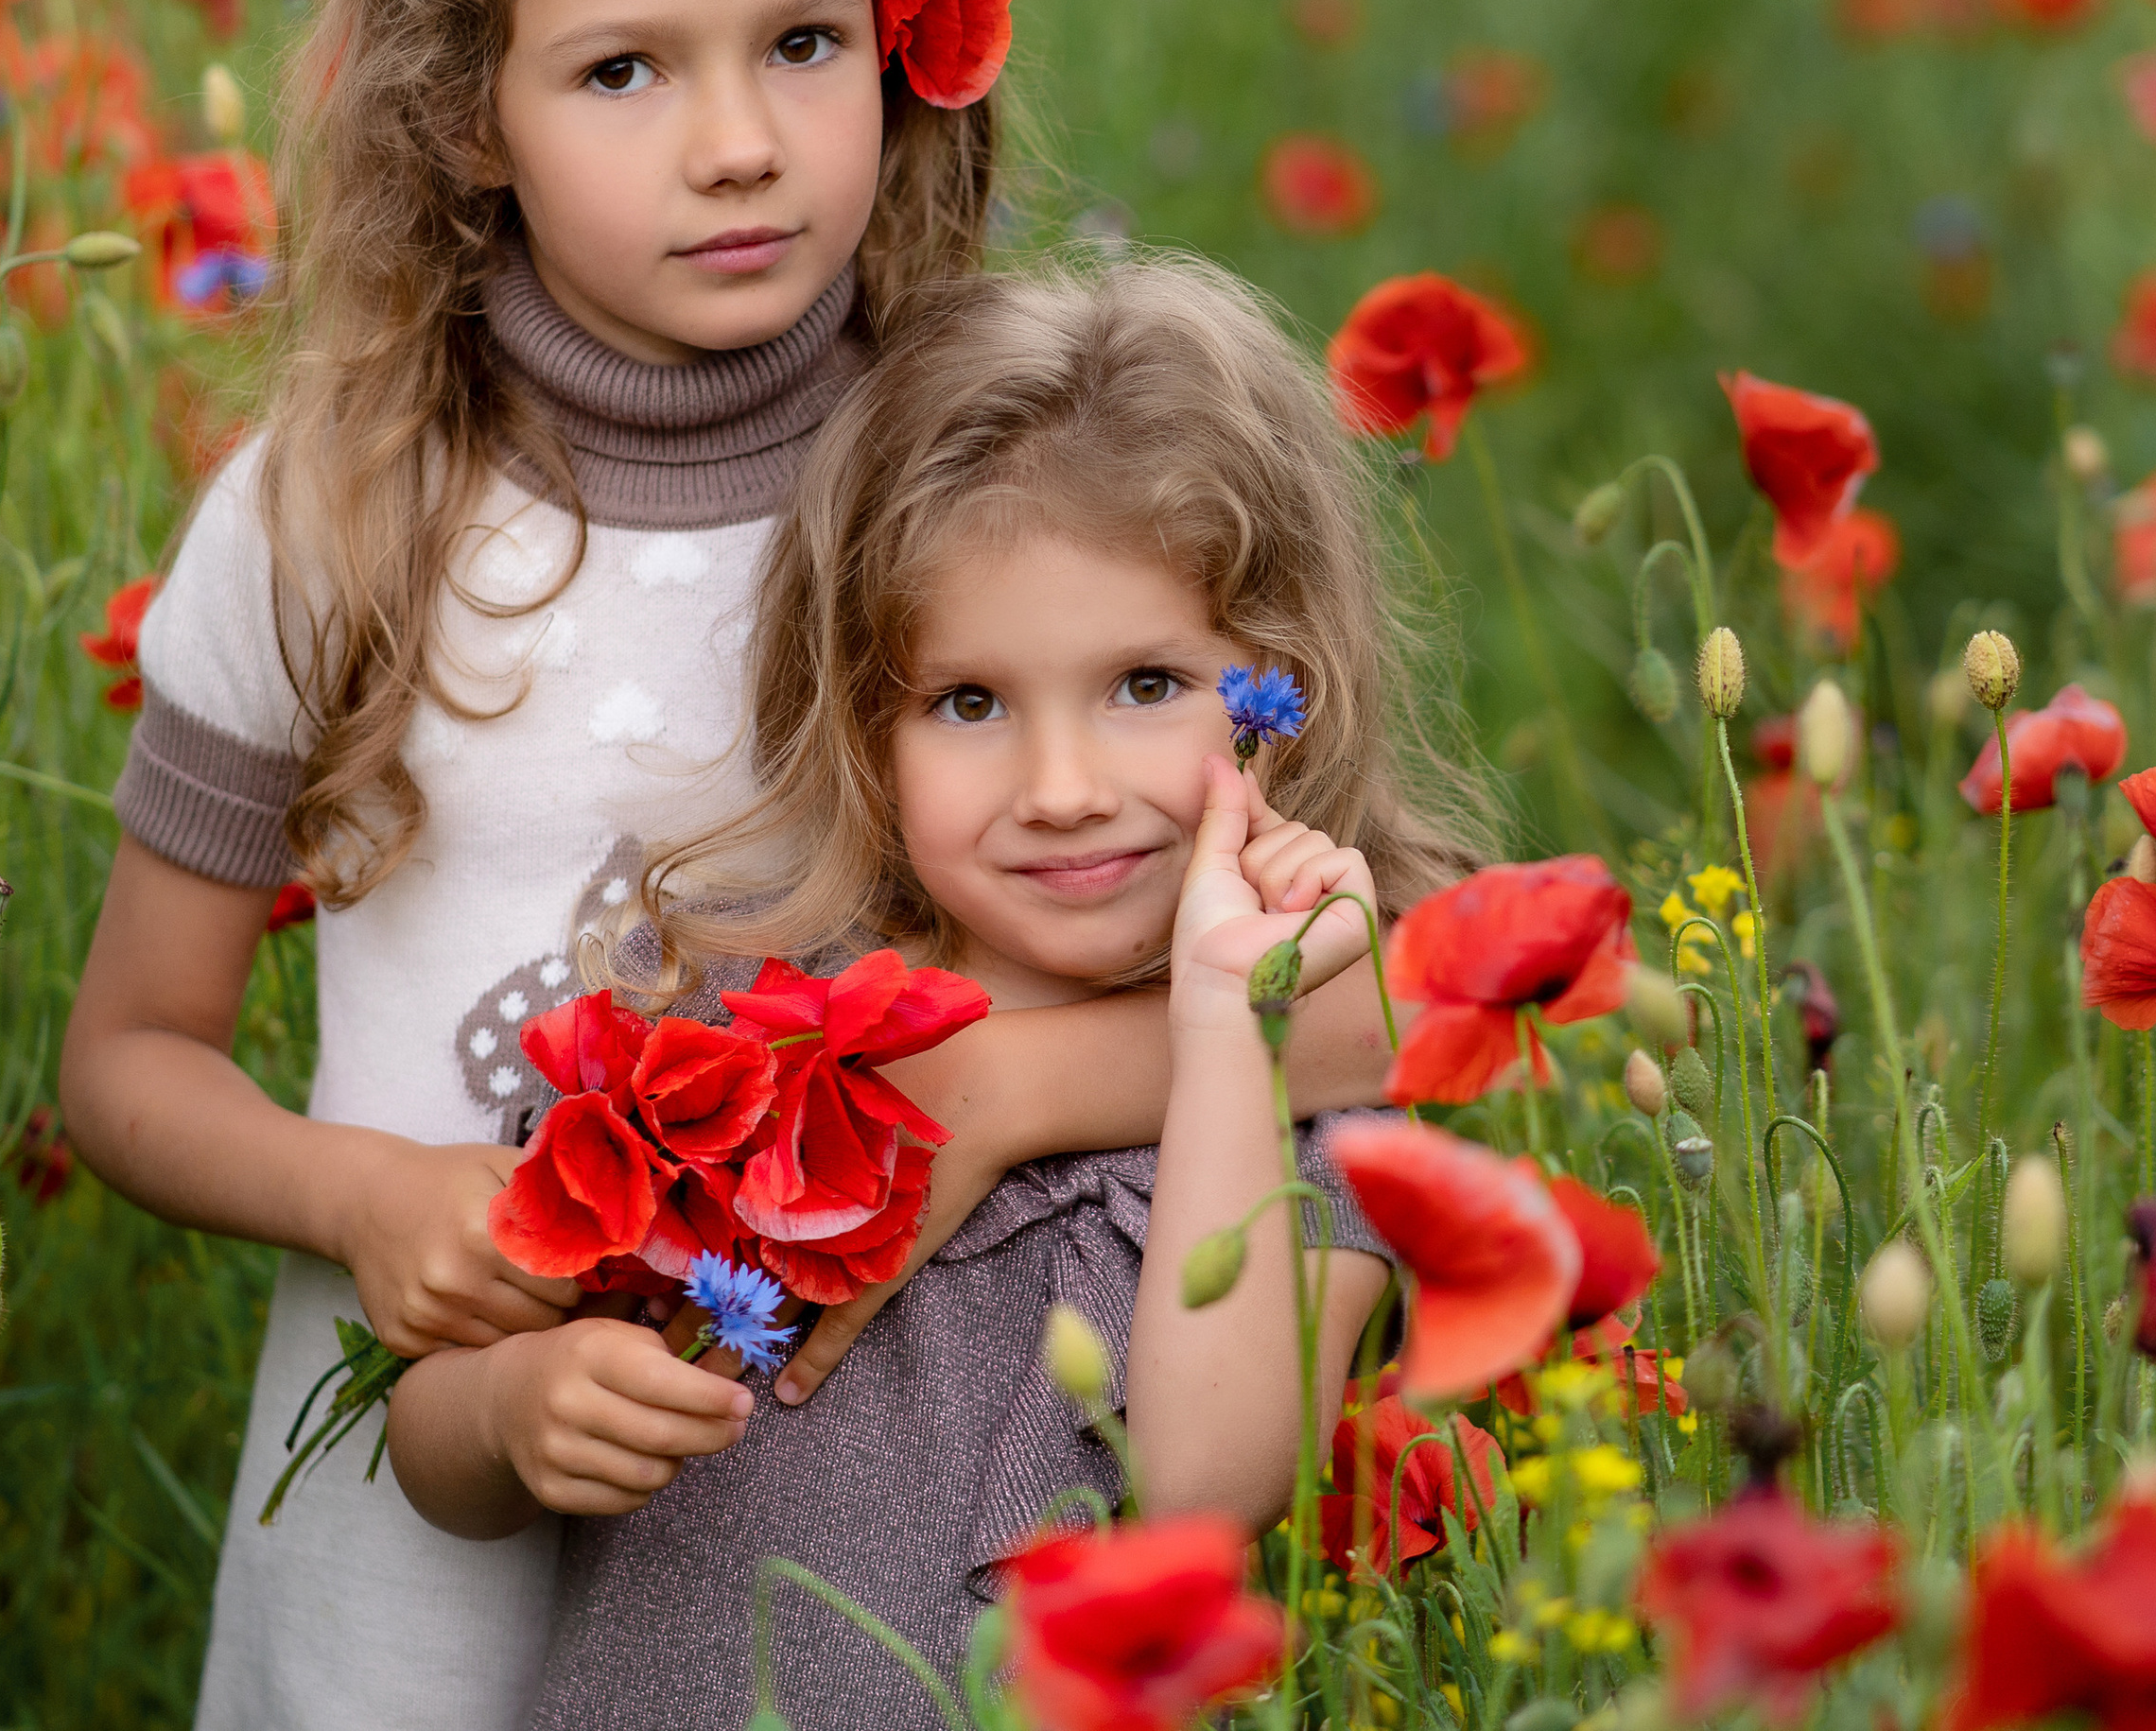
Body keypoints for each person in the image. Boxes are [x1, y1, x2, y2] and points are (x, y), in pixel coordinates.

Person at [56, 0, 1395, 1731]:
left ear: (904, 53)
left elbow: (1350, 995)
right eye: (618, 69)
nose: (739, 142)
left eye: (800, 42)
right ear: (459, 117)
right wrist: (375, 1198)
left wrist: (997, 1098)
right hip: (442, 1475)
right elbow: (129, 1053)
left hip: (839, 1476)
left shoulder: (978, 468)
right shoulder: (333, 510)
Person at [385, 254, 1498, 1729]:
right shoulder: (743, 1011)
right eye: (969, 704)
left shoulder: (1312, 1108)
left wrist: (1235, 1030)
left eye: (1147, 685)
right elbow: (436, 1432)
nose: (1060, 791)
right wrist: (511, 1417)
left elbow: (1209, 1481)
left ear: (1281, 681)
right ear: (862, 718)